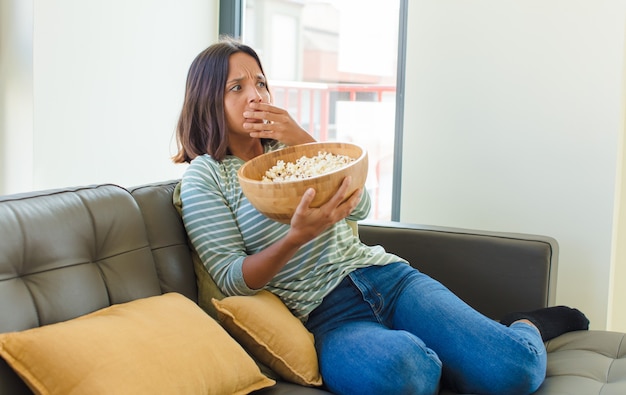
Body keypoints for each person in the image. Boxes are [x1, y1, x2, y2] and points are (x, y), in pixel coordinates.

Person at [173, 37, 589, 395]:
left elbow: (364, 206)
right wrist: (295, 237)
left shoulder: (290, 155)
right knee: (405, 373)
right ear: (208, 98)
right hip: (328, 317)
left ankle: (522, 326)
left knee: (516, 370)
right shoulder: (206, 178)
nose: (256, 95)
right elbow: (231, 277)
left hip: (388, 279)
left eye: (261, 83)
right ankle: (456, 354)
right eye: (237, 87)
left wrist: (303, 139)